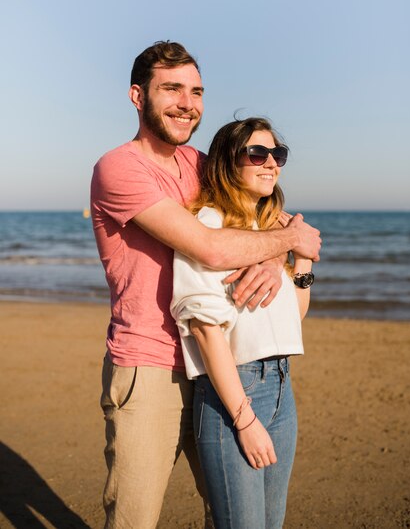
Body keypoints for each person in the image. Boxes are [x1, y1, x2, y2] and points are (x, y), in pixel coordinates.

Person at [90, 41, 321, 529]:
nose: (187, 103)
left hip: (221, 369)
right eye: (171, 88)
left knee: (231, 513)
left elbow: (270, 221)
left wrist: (281, 250)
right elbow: (210, 247)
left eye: (196, 91)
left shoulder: (200, 164)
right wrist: (288, 240)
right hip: (151, 366)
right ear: (137, 96)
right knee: (134, 519)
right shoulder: (119, 168)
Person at [171, 117, 312, 529]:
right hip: (234, 391)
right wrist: (244, 418)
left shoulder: (273, 230)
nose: (271, 163)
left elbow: (293, 318)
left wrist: (300, 258)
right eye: (257, 153)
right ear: (226, 162)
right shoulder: (209, 226)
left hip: (282, 385)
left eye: (277, 154)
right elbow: (205, 330)